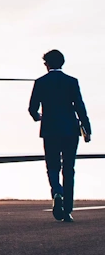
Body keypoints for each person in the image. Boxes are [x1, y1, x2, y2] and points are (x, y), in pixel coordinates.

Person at [28, 49, 91, 222]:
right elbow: (80, 106)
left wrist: (38, 117)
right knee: (69, 169)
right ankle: (68, 210)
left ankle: (57, 191)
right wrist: (87, 128)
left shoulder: (41, 82)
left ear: (47, 64)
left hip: (50, 129)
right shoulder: (72, 81)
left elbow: (32, 108)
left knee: (53, 166)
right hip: (70, 129)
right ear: (62, 63)